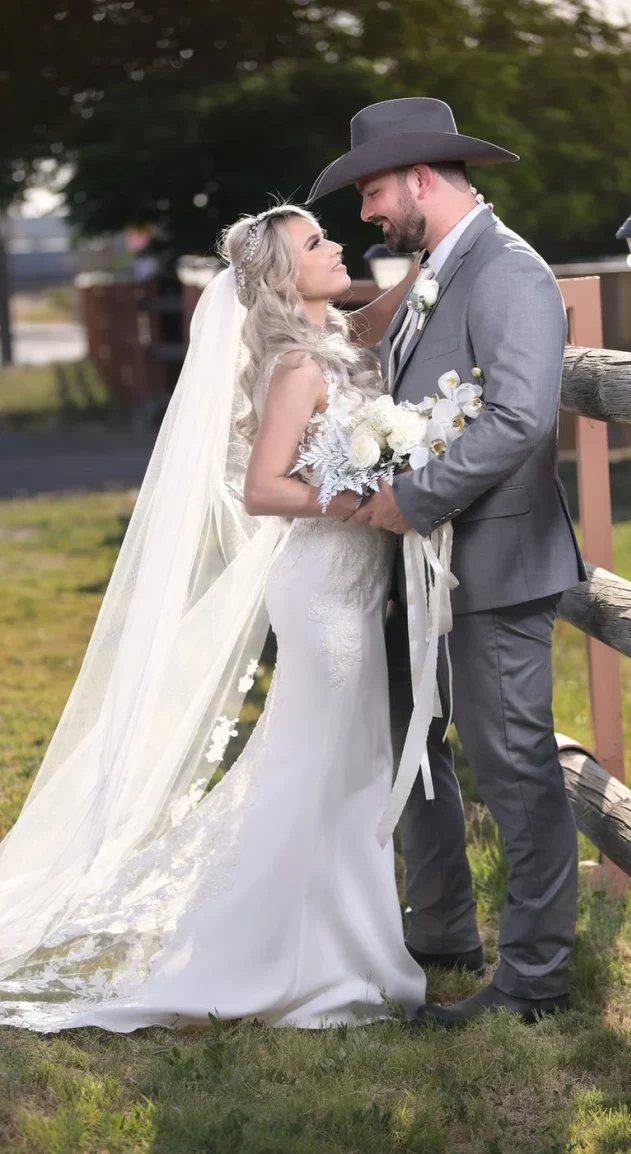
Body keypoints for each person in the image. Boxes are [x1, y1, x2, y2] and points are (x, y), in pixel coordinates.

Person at [0, 204, 426, 1033]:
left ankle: (344, 948)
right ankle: (256, 956)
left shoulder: (333, 347)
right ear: (283, 278)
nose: (337, 245)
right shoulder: (297, 365)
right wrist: (365, 503)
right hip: (322, 591)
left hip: (350, 585)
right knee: (316, 771)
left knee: (349, 769)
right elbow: (262, 489)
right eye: (317, 243)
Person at [307, 97, 587, 1026]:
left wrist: (413, 498)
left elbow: (519, 417)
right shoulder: (439, 267)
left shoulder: (509, 271)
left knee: (513, 767)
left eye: (373, 191)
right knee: (413, 742)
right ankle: (442, 931)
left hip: (496, 562)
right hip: (423, 564)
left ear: (422, 177)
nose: (365, 212)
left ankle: (535, 980)